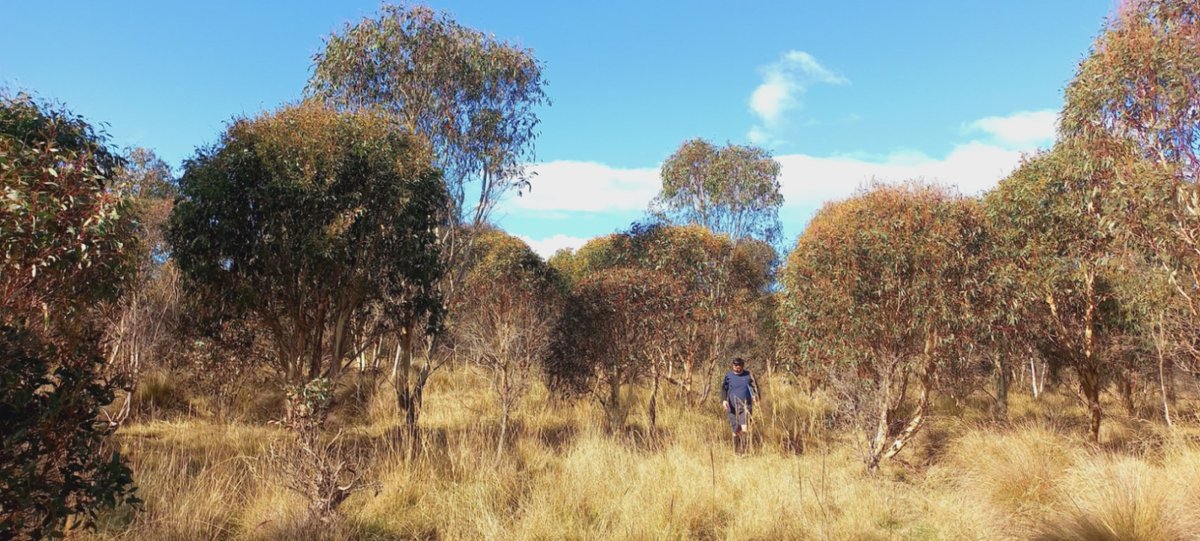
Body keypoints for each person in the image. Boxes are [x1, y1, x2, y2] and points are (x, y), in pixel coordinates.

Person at [721, 357, 759, 453]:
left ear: (743, 366)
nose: (737, 367)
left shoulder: (748, 375)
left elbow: (755, 387)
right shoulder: (728, 376)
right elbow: (724, 389)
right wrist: (724, 400)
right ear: (733, 365)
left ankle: (744, 450)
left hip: (746, 406)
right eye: (735, 365)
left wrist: (756, 396)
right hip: (732, 407)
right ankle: (736, 451)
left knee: (744, 427)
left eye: (739, 365)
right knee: (735, 429)